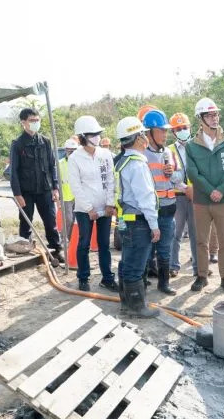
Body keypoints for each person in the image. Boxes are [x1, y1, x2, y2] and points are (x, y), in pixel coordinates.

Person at [185, 97, 224, 293]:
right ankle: (201, 276)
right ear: (201, 118)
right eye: (209, 115)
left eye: (216, 114)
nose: (214, 118)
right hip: (201, 200)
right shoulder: (192, 145)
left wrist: (220, 190)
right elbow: (192, 172)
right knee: (201, 240)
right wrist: (210, 190)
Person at [114, 116, 161, 317]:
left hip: (126, 220)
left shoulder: (122, 162)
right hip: (138, 221)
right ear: (137, 138)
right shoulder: (137, 164)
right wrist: (154, 225)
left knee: (127, 261)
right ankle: (137, 307)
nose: (146, 137)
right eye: (143, 134)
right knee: (136, 264)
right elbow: (146, 197)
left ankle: (126, 303)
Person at [68, 116, 118, 292]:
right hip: (84, 210)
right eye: (93, 134)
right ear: (83, 136)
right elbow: (76, 186)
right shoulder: (75, 158)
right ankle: (83, 277)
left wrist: (110, 204)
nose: (97, 137)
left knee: (104, 244)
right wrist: (89, 209)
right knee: (84, 244)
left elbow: (111, 179)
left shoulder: (105, 155)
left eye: (98, 134)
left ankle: (107, 278)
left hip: (105, 208)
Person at [9, 108, 64, 262]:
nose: (35, 123)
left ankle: (56, 250)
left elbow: (52, 166)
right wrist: (17, 194)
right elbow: (14, 171)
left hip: (45, 189)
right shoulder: (18, 144)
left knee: (50, 222)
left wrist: (55, 188)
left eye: (37, 120)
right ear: (23, 123)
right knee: (26, 223)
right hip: (26, 191)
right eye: (32, 121)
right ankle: (24, 252)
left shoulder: (45, 141)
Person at [142, 109, 182, 295]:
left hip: (167, 209)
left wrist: (171, 173)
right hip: (148, 210)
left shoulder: (169, 153)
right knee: (145, 247)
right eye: (161, 130)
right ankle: (141, 281)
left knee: (165, 248)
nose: (165, 134)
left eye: (166, 131)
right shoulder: (141, 155)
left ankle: (163, 283)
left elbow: (180, 176)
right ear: (149, 132)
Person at [168, 112, 198, 277]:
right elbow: (170, 174)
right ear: (173, 131)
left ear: (189, 127)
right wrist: (186, 188)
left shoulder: (197, 146)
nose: (182, 131)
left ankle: (198, 267)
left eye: (184, 127)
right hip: (178, 196)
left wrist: (194, 190)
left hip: (197, 197)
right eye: (178, 128)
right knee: (175, 233)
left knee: (196, 234)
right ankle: (174, 266)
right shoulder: (170, 150)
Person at [58, 137, 78, 239]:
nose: (72, 153)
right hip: (66, 196)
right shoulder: (60, 163)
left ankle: (71, 239)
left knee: (76, 219)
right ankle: (64, 237)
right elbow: (58, 182)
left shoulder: (80, 162)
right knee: (69, 219)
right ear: (66, 150)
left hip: (78, 195)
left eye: (74, 151)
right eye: (70, 151)